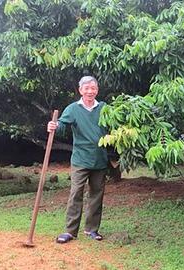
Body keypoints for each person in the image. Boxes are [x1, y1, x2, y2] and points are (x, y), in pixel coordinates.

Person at [47, 76, 108, 244]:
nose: (90, 91)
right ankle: (70, 231)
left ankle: (92, 229)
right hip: (80, 159)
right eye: (86, 88)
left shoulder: (104, 108)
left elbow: (115, 125)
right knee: (76, 193)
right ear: (80, 90)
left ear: (97, 90)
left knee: (97, 195)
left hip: (100, 159)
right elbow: (61, 125)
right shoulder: (73, 109)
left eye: (93, 88)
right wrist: (54, 126)